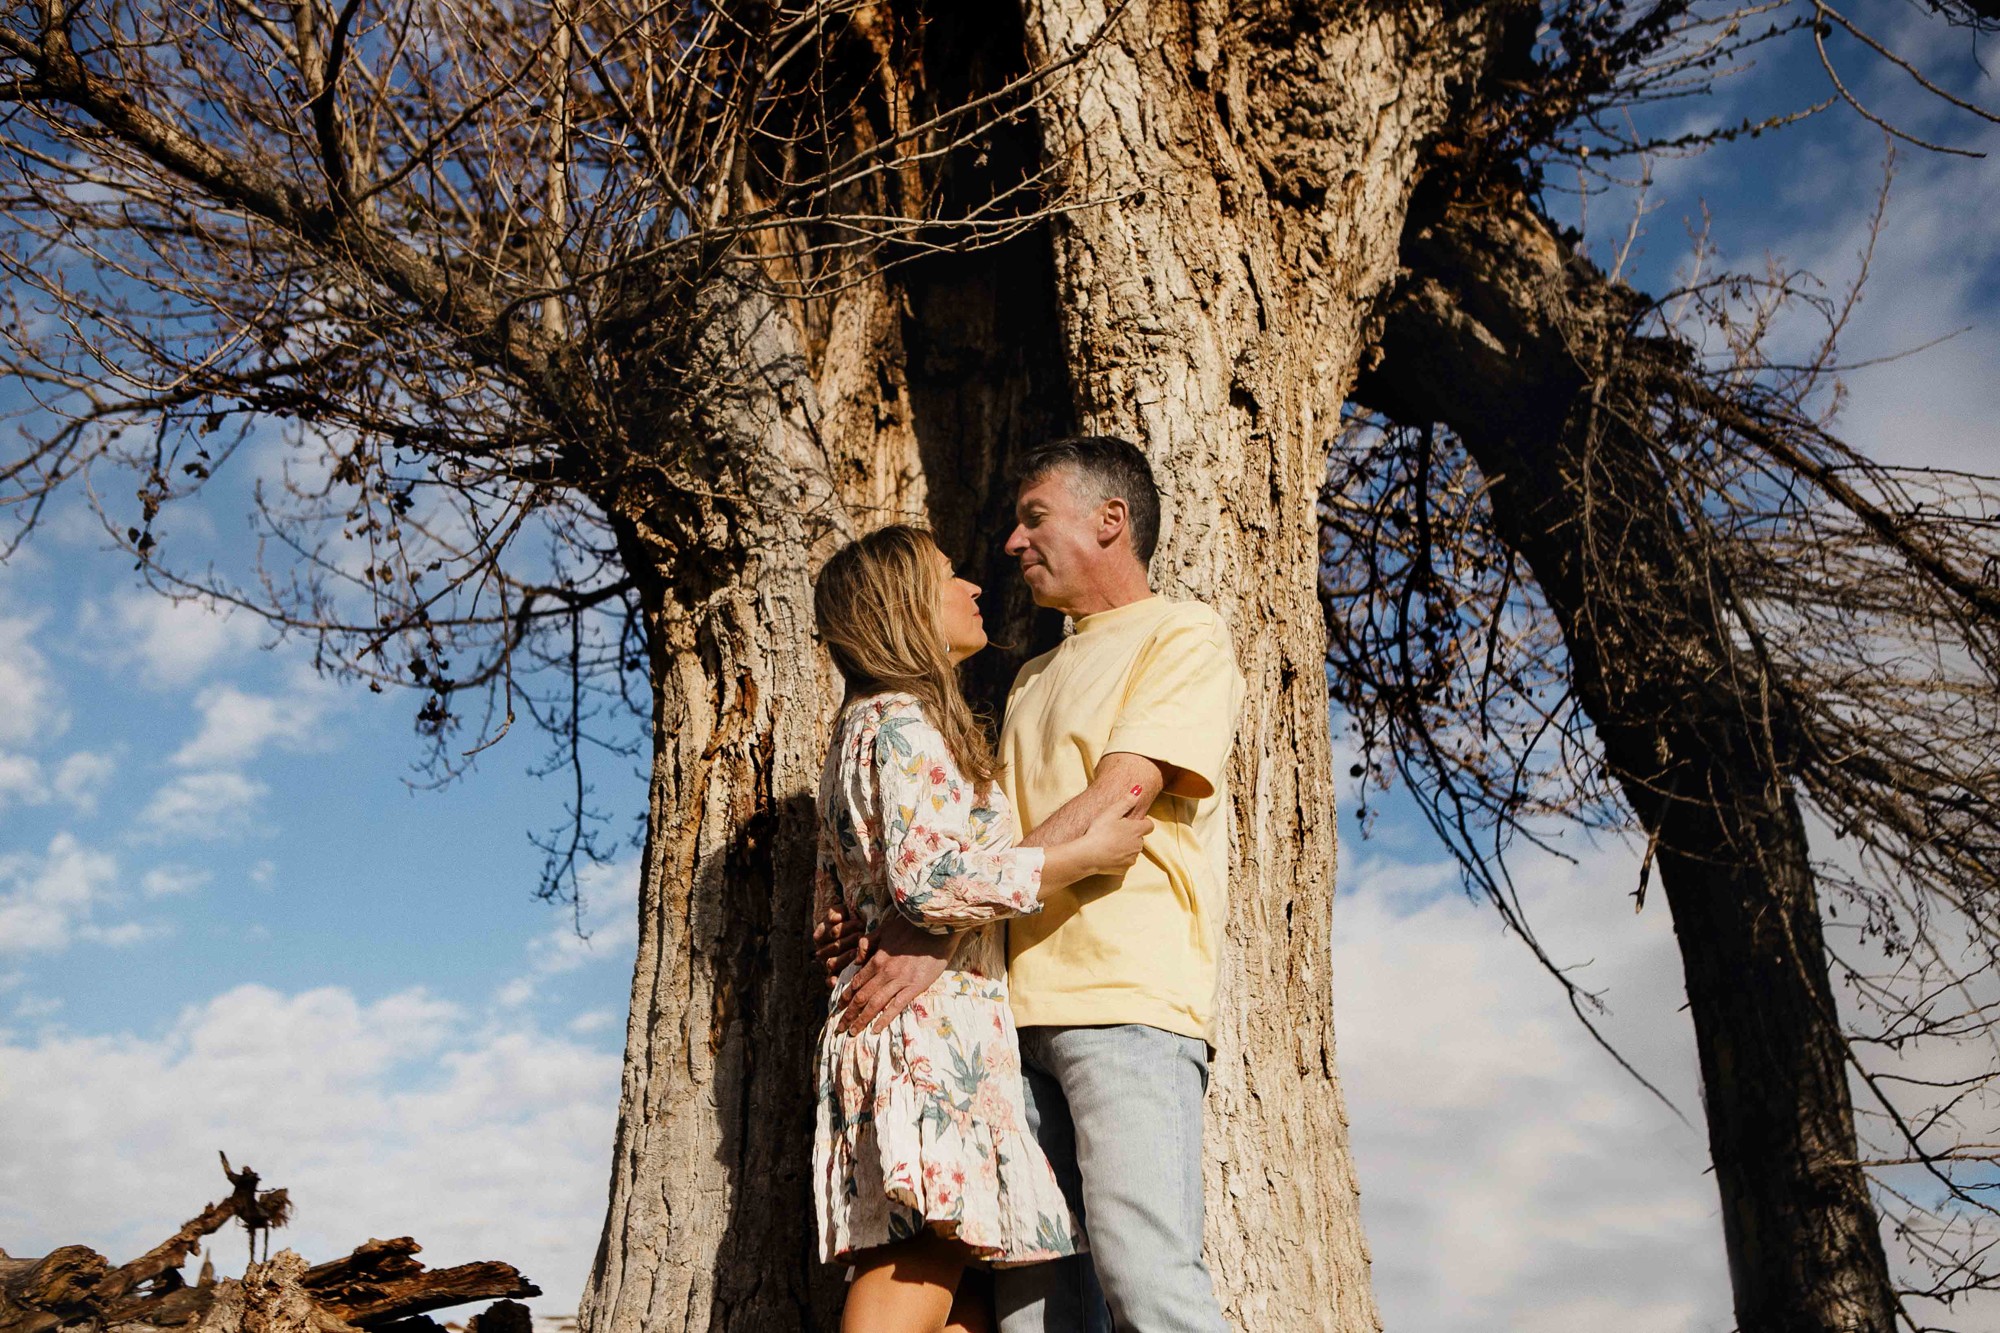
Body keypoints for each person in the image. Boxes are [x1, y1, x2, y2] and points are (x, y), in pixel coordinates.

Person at [823, 438, 1246, 1333]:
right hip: (1004, 1021)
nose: (1012, 544)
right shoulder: (1030, 679)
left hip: (1124, 999)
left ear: (1110, 521)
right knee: (1034, 1313)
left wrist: (931, 932)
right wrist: (878, 914)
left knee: (1146, 1273)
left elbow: (1118, 795)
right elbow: (971, 847)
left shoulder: (1183, 633)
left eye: (1033, 517)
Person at [809, 523, 1157, 1333]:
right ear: (902, 609)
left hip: (931, 1030)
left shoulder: (866, 726)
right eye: (947, 576)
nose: (972, 586)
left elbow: (835, 908)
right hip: (926, 1035)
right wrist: (1081, 853)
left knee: (958, 1300)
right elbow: (930, 886)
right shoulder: (899, 722)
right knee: (921, 1261)